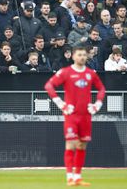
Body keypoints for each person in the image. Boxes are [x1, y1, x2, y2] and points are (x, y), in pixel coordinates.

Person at [44, 46, 106, 187]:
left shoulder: (91, 73)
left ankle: (78, 177)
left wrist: (97, 104)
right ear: (73, 56)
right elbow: (49, 86)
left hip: (86, 116)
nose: (82, 57)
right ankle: (69, 177)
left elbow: (101, 88)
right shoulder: (66, 72)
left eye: (84, 55)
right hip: (71, 115)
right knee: (71, 144)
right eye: (79, 55)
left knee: (82, 145)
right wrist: (61, 104)